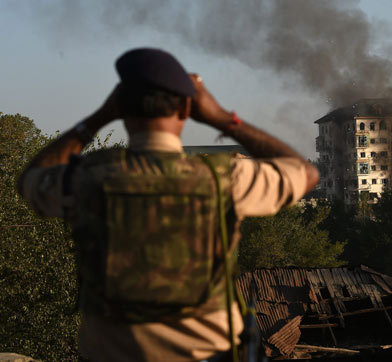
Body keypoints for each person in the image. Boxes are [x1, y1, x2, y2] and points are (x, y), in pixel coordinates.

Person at [18, 48, 319, 362]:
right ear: (187, 106)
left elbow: (31, 180)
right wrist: (221, 118)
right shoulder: (224, 179)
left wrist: (96, 119)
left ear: (121, 106)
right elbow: (305, 174)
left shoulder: (85, 179)